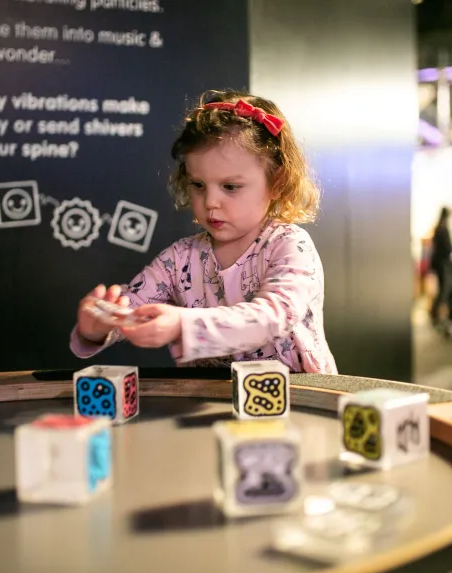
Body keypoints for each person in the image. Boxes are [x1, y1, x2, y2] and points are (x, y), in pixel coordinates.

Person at [70, 90, 337, 374]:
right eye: (198, 185)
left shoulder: (289, 245)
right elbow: (134, 308)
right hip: (213, 405)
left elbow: (272, 318)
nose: (210, 202)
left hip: (299, 401)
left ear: (277, 182)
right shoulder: (180, 258)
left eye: (230, 187)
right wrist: (99, 326)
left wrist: (184, 325)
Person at [429, 207, 452, 325]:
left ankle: (434, 313)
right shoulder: (443, 229)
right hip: (443, 264)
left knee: (441, 289)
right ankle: (435, 314)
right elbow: (449, 248)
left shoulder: (438, 228)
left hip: (438, 263)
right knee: (444, 290)